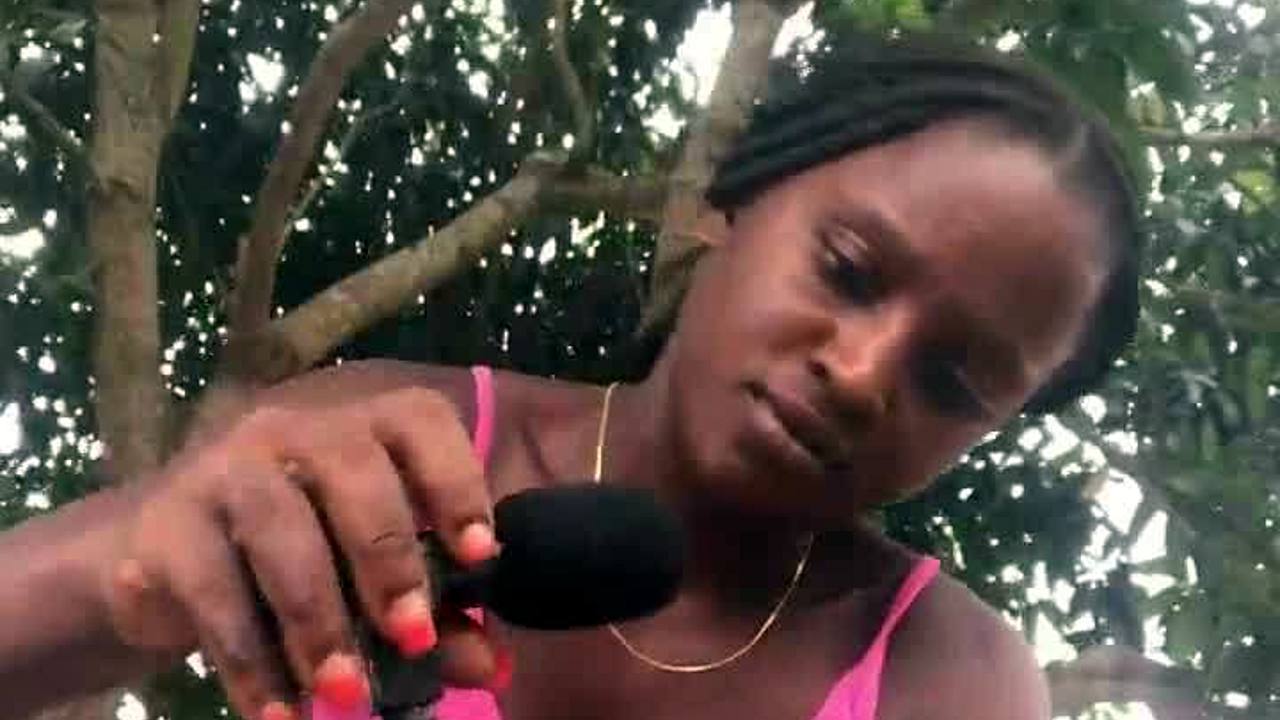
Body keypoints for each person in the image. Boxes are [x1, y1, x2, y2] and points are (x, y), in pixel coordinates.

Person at [0, 37, 1140, 720]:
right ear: (732, 200)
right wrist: (140, 578)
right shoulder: (385, 446)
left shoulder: (949, 678)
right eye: (846, 271)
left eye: (954, 384)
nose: (857, 373)